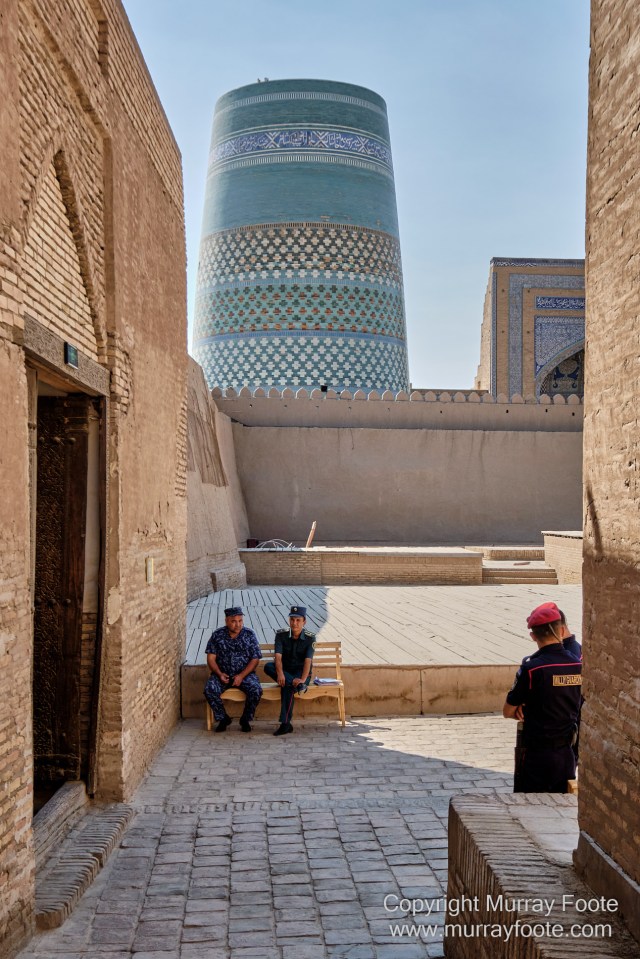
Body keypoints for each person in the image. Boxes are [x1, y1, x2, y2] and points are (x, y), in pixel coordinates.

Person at [503, 601, 582, 793]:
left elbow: (508, 711)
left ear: (532, 636)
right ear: (560, 630)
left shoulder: (532, 668)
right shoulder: (578, 665)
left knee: (530, 808)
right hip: (566, 754)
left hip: (537, 756)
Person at [204, 606, 262, 733]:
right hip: (222, 675)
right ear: (226, 621)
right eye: (234, 621)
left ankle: (245, 720)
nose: (238, 624)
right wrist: (219, 674)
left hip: (245, 675)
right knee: (209, 689)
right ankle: (223, 718)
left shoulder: (249, 634)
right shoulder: (217, 635)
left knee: (256, 690)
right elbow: (211, 658)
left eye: (240, 621)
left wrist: (241, 676)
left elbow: (255, 658)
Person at [264, 605, 315, 736]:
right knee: (268, 667)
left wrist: (302, 679)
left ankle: (285, 724)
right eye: (292, 619)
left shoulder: (310, 638)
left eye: (298, 620)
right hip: (285, 671)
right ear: (289, 620)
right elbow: (278, 657)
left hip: (301, 672)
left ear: (304, 621)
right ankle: (298, 685)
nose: (294, 623)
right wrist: (280, 673)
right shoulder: (281, 635)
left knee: (286, 686)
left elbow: (308, 661)